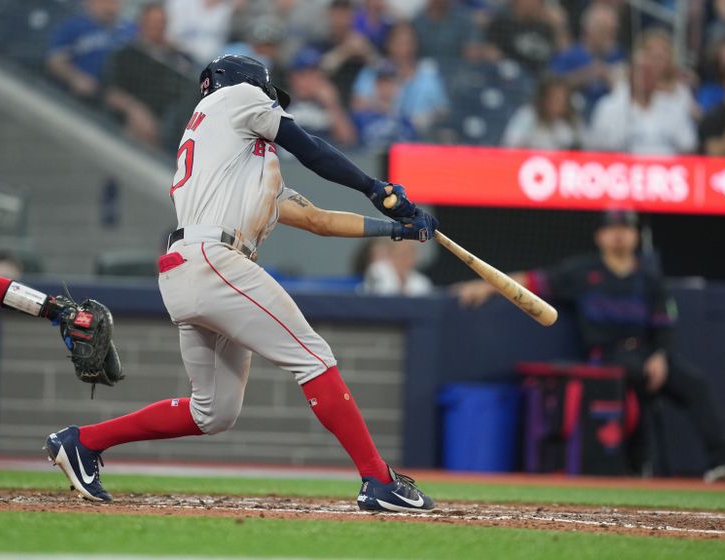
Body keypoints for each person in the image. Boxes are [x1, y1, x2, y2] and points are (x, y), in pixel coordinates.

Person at [44, 54, 439, 513]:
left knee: (212, 412)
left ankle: (83, 442)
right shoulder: (236, 96)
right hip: (216, 259)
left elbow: (318, 219)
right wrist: (377, 187)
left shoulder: (233, 161)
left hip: (186, 268)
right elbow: (307, 145)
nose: (275, 106)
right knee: (313, 358)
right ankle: (377, 478)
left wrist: (398, 229)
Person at [454, 210, 725, 482]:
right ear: (600, 236)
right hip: (607, 357)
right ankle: (638, 466)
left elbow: (663, 324)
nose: (619, 236)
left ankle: (721, 463)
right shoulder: (583, 271)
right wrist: (484, 287)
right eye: (612, 229)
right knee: (632, 375)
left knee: (695, 384)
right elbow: (528, 284)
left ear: (635, 236)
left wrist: (660, 356)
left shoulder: (649, 278)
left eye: (625, 229)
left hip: (648, 355)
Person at [103, 3, 197, 149]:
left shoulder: (174, 60)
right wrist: (135, 110)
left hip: (166, 124)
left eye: (161, 24)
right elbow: (110, 92)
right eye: (152, 23)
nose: (157, 28)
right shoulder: (126, 54)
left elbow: (186, 89)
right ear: (142, 24)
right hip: (129, 118)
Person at [585, 48, 697, 155]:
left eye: (650, 72)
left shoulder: (674, 107)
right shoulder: (608, 107)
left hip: (665, 171)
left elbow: (688, 144)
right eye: (641, 71)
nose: (646, 77)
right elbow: (596, 148)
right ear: (630, 74)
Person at [352, 22, 448, 136]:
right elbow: (357, 106)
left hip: (420, 141)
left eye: (409, 43)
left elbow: (443, 111)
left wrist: (427, 118)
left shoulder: (428, 75)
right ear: (389, 44)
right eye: (399, 43)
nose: (405, 49)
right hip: (376, 140)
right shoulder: (373, 71)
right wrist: (385, 108)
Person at [46, 0, 137, 100]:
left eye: (114, 2)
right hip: (77, 97)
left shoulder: (129, 30)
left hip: (117, 95)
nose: (110, 7)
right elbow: (55, 62)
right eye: (104, 2)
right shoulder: (74, 25)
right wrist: (74, 77)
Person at [549, 3, 625, 115]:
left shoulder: (617, 56)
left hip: (608, 116)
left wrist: (613, 78)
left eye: (613, 31)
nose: (610, 36)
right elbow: (552, 84)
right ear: (588, 29)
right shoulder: (570, 54)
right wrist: (587, 74)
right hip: (575, 113)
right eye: (604, 30)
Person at [285, 48, 357, 146]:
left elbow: (348, 140)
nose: (310, 81)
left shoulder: (328, 106)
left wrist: (331, 103)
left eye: (314, 74)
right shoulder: (281, 103)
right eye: (303, 75)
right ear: (292, 78)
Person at [484, 0, 570, 74]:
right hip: (513, 75)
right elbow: (491, 52)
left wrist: (557, 27)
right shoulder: (503, 23)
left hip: (542, 79)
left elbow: (564, 53)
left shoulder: (546, 27)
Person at [501, 76, 582, 150]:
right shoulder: (528, 115)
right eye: (554, 98)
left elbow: (586, 148)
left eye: (562, 100)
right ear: (543, 98)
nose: (558, 103)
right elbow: (510, 145)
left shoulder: (572, 121)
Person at [412, 0, 482, 66]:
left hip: (457, 70)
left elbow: (473, 51)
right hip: (424, 71)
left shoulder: (463, 19)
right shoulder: (417, 22)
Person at [362, 239, 433, 296]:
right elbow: (381, 294)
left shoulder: (422, 281)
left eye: (410, 252)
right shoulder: (377, 269)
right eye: (402, 252)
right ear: (391, 253)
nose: (405, 257)